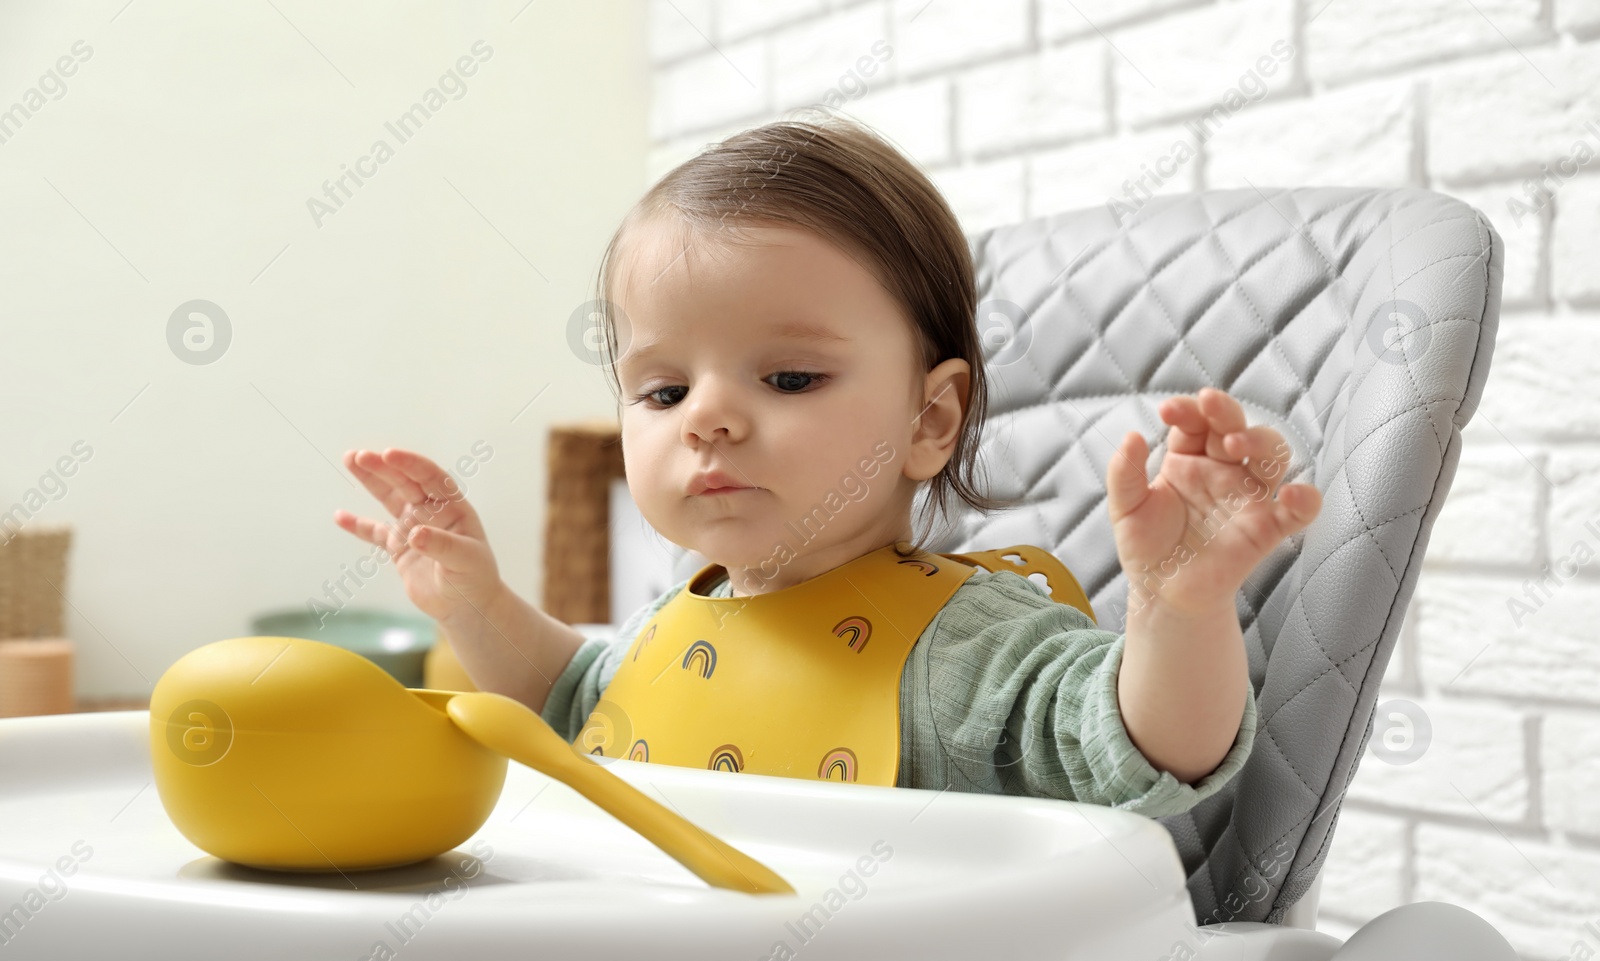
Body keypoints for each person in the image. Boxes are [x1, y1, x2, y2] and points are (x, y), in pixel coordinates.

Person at [334, 111, 1322, 817]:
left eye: (791, 376)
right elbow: (574, 698)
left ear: (931, 420)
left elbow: (1143, 753)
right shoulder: (678, 618)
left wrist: (1177, 610)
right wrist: (476, 601)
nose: (707, 418)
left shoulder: (964, 650)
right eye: (664, 390)